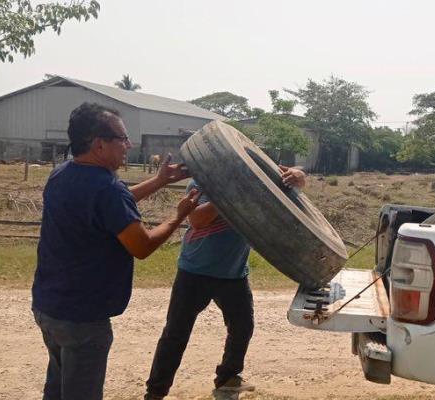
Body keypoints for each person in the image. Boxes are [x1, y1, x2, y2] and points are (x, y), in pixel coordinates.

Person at [32, 102, 200, 400]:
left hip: (50, 307)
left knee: (57, 390)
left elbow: (110, 206)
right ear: (99, 144)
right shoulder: (107, 189)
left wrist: (160, 181)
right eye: (123, 138)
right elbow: (143, 245)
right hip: (83, 318)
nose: (128, 145)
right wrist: (178, 216)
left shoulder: (63, 175)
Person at [144, 165, 306, 399]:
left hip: (233, 274)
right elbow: (198, 219)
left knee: (242, 328)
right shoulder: (200, 185)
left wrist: (299, 176)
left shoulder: (256, 188)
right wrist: (236, 193)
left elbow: (289, 187)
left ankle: (228, 379)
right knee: (175, 334)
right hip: (194, 273)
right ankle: (155, 392)